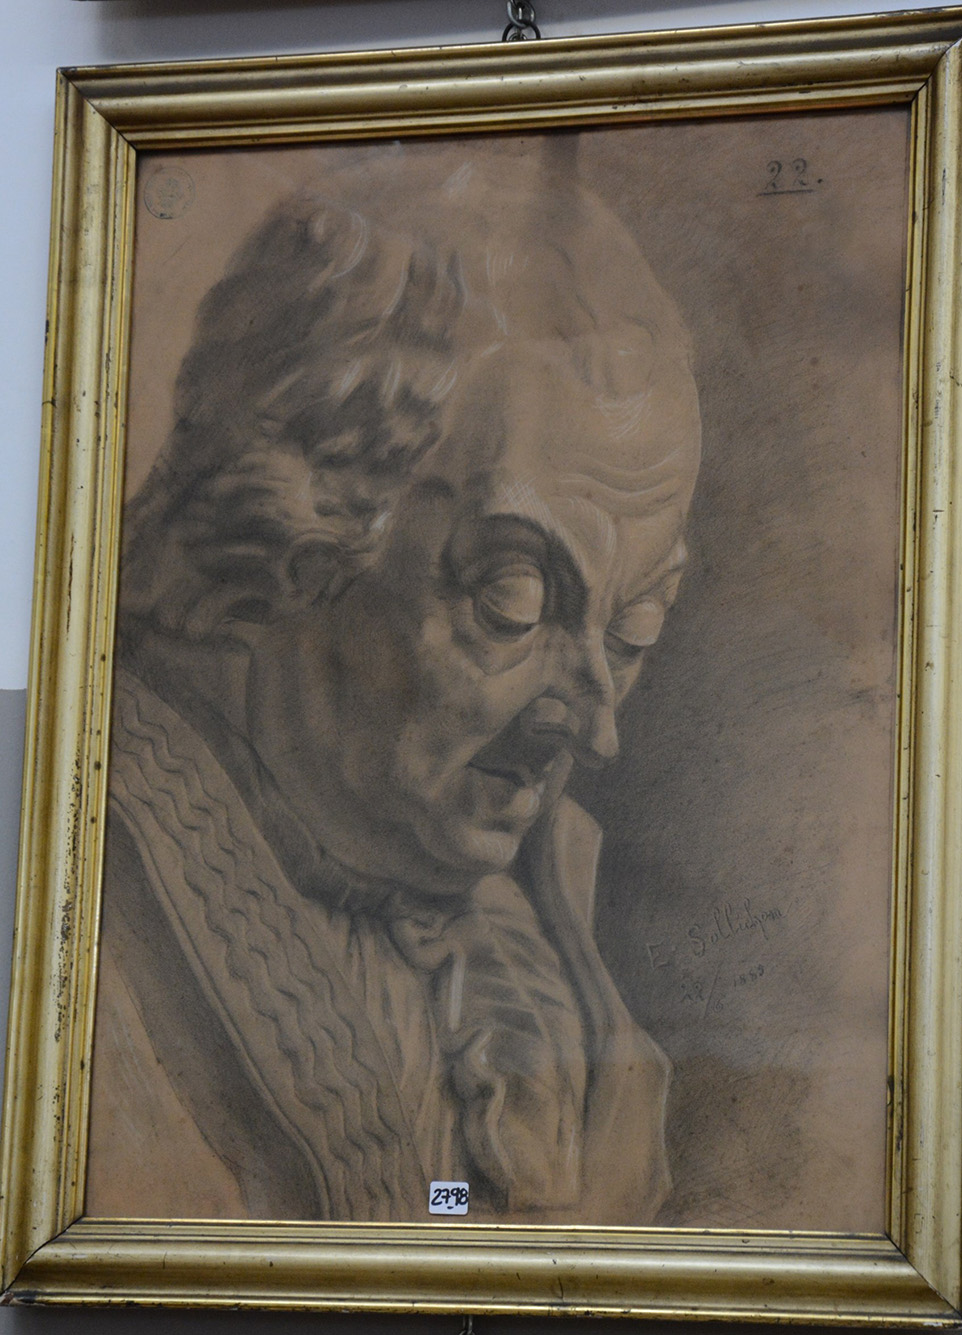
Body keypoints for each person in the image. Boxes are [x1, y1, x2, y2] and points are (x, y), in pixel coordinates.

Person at [86, 147, 702, 1224]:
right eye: (511, 602)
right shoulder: (95, 910)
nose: (594, 730)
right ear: (299, 529)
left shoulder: (552, 938)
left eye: (634, 626)